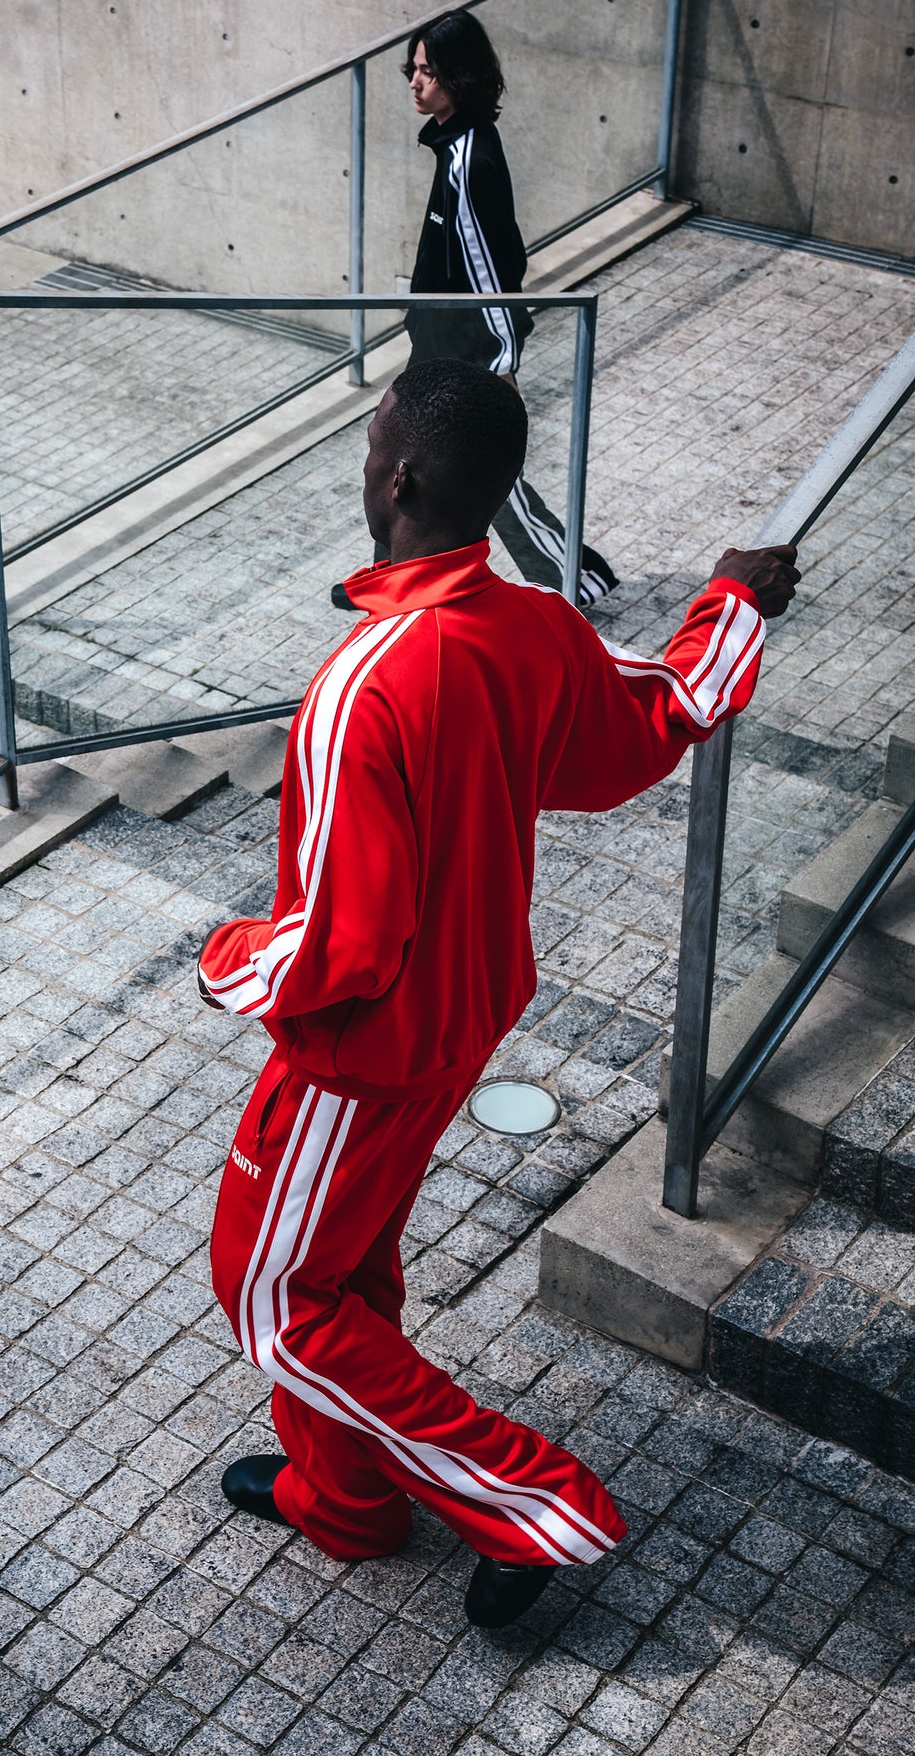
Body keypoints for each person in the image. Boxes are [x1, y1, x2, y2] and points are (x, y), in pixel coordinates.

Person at [198, 358, 798, 1628]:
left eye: (370, 445)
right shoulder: (529, 627)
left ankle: (533, 1507)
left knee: (273, 1296)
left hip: (355, 1063)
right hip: (460, 1027)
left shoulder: (359, 689)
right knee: (344, 1272)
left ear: (398, 476)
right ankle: (343, 1504)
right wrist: (730, 605)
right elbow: (656, 716)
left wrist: (222, 959)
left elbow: (332, 946)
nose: (365, 464)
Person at [401, 9, 619, 607]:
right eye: (413, 71)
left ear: (459, 77)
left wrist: (502, 362)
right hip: (439, 341)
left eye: (429, 71)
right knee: (409, 461)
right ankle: (406, 582)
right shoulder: (453, 147)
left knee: (486, 480)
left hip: (467, 352)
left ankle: (571, 577)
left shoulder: (469, 161)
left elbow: (492, 274)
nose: (416, 83)